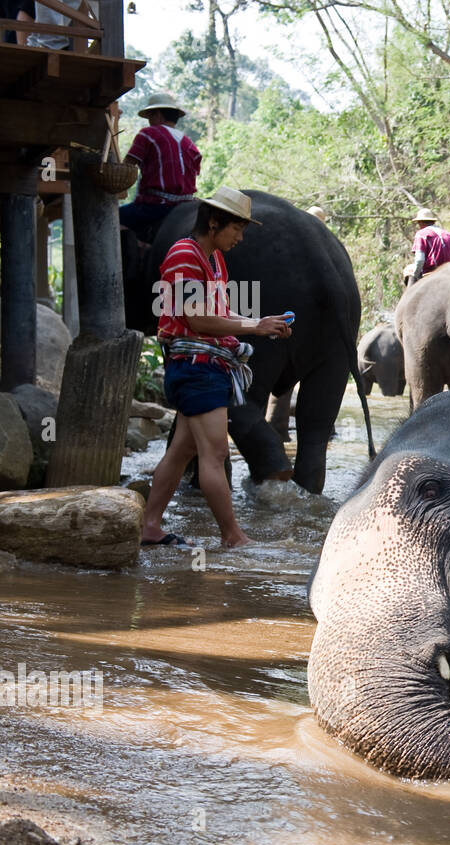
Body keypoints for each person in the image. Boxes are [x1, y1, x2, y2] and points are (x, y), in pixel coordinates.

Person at [140, 187, 292, 549]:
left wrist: (260, 321)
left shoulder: (214, 260)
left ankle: (149, 525)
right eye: (236, 229)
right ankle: (233, 536)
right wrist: (254, 326)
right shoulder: (184, 256)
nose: (239, 238)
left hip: (205, 366)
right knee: (216, 454)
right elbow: (199, 318)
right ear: (213, 223)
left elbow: (220, 315)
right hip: (196, 368)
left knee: (182, 452)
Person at [118, 93, 202, 241]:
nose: (149, 121)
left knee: (113, 217)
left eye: (150, 116)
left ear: (157, 115)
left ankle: (137, 251)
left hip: (157, 206)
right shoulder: (189, 143)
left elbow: (125, 168)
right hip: (186, 205)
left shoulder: (148, 134)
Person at [409, 208, 450, 283]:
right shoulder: (448, 234)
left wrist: (416, 275)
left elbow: (420, 260)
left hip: (431, 271)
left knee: (409, 271)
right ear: (433, 221)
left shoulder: (421, 234)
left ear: (420, 222)